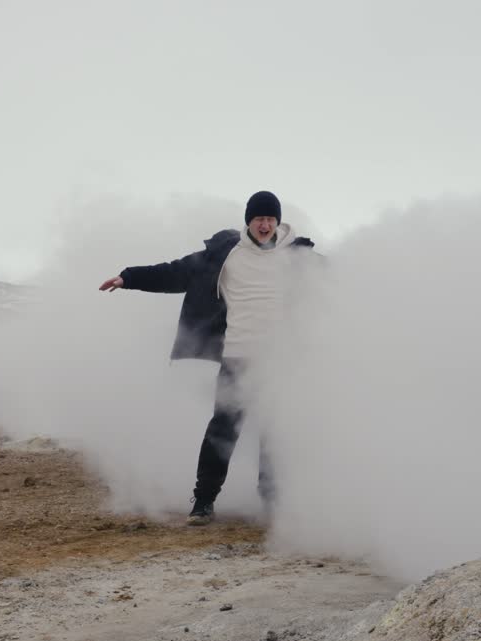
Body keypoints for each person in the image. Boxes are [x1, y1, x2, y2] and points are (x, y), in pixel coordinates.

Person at [99, 191, 318, 525]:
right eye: (259, 219)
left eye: (270, 219)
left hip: (278, 361)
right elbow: (176, 272)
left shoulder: (296, 256)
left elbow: (338, 282)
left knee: (274, 431)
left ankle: (272, 503)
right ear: (248, 221)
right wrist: (129, 277)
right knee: (223, 429)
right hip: (237, 357)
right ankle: (203, 501)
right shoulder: (225, 255)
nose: (264, 225)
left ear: (278, 221)